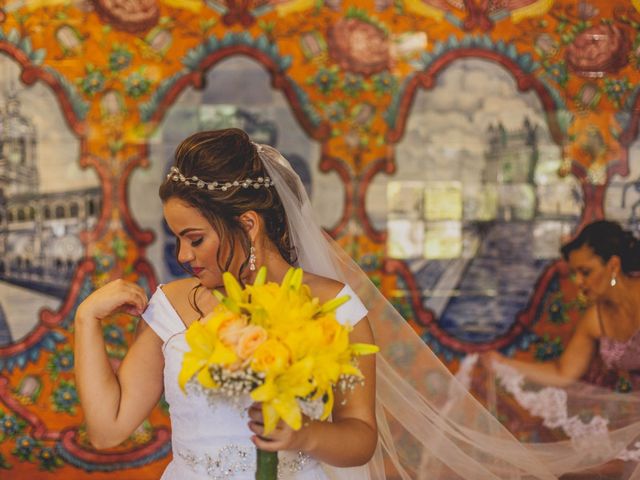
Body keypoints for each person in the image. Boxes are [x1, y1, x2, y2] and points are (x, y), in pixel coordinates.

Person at [74, 128, 639, 479]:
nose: (182, 255)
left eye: (194, 238)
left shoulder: (336, 308)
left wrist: (299, 438)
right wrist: (86, 321)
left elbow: (359, 437)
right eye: (177, 239)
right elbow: (108, 430)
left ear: (246, 223)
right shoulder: (173, 306)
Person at [485, 220, 640, 389]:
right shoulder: (596, 319)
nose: (578, 281)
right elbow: (563, 372)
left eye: (585, 272)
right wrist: (502, 363)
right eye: (575, 273)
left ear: (613, 265)